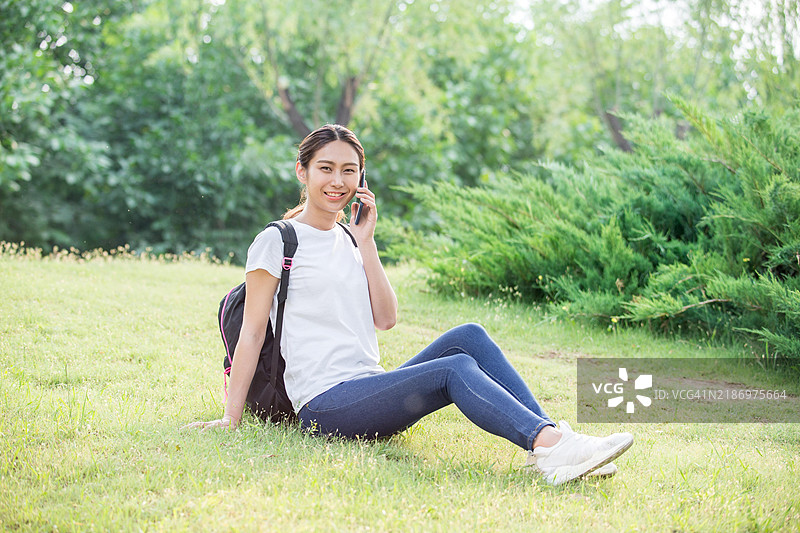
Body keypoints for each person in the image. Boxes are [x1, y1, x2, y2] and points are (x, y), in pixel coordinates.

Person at [185, 124, 633, 485]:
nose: (338, 181)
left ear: (362, 177)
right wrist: (231, 417)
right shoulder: (276, 241)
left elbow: (386, 318)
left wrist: (367, 243)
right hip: (324, 405)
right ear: (302, 172)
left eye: (349, 171)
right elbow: (252, 334)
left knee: (469, 337)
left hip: (367, 387)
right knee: (451, 370)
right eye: (325, 168)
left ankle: (554, 443)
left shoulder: (348, 236)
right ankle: (549, 444)